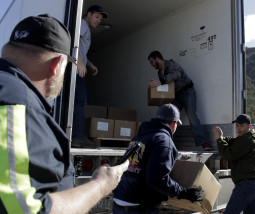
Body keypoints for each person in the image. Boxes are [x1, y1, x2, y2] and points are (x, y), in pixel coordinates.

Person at [0, 14, 128, 214]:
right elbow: (29, 211)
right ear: (57, 65)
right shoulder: (15, 103)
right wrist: (102, 184)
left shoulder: (9, 91)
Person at [113, 103, 203, 214]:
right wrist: (184, 193)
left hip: (120, 200)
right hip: (138, 207)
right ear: (174, 124)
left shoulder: (139, 136)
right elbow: (157, 179)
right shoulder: (163, 141)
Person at [147, 51, 213, 151]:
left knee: (192, 117)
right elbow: (166, 87)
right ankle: (165, 143)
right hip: (176, 96)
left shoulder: (171, 64)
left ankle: (204, 143)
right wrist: (161, 100)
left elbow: (176, 75)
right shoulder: (160, 72)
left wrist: (160, 82)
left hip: (187, 92)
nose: (151, 65)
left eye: (152, 62)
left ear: (157, 58)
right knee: (167, 116)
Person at [72, 5, 108, 148]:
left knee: (80, 102)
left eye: (100, 19)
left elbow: (82, 51)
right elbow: (73, 42)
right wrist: (79, 63)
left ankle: (77, 136)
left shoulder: (86, 29)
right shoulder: (81, 24)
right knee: (80, 102)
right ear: (88, 14)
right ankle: (78, 137)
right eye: (96, 17)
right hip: (76, 69)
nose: (98, 20)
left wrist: (89, 64)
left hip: (80, 67)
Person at [213, 114, 255, 214]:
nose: (238, 129)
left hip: (245, 186)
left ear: (249, 126)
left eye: (241, 126)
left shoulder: (247, 140)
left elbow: (228, 154)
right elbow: (234, 141)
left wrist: (219, 139)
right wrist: (222, 138)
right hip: (253, 186)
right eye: (237, 126)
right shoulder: (249, 137)